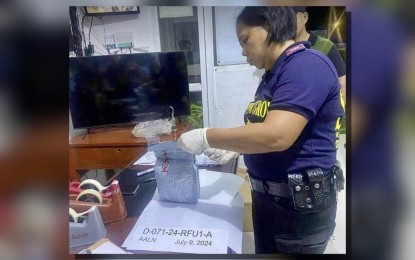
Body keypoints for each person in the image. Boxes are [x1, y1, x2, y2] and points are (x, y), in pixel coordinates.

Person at [177, 7, 344, 254]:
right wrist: (236, 149)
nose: (243, 51)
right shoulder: (274, 74)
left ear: (269, 26)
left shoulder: (307, 65)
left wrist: (206, 136)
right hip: (270, 201)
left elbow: (276, 135)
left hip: (297, 210)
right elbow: (262, 127)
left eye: (245, 40)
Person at [294, 6, 347, 105]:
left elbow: (342, 82)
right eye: (284, 18)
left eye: (291, 16)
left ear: (305, 17)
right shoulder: (279, 49)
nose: (287, 22)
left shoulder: (325, 46)